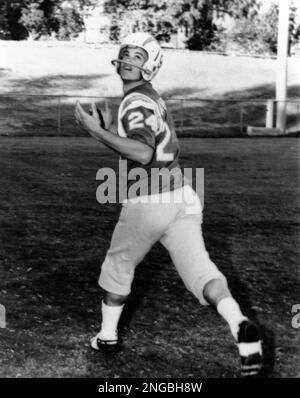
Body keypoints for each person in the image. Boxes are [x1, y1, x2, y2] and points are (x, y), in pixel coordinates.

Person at [74, 32, 263, 377]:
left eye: (138, 56)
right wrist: (109, 131)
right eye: (126, 53)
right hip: (183, 196)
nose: (129, 59)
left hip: (151, 198)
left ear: (151, 65)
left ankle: (107, 337)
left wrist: (96, 131)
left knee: (118, 266)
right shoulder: (150, 97)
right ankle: (240, 324)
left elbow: (143, 152)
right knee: (201, 272)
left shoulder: (136, 101)